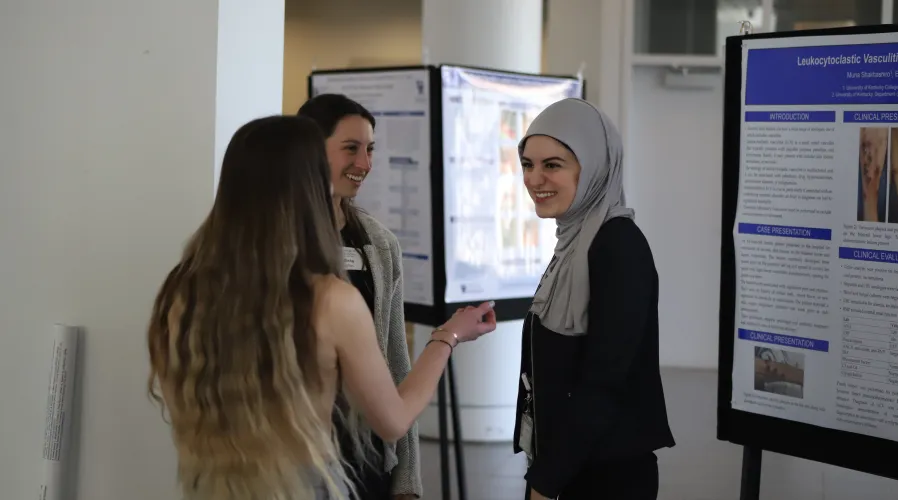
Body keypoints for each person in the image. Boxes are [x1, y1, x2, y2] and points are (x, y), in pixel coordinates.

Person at [146, 115, 497, 500]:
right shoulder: (331, 300)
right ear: (310, 188)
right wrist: (448, 336)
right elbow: (393, 420)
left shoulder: (182, 290)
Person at [513, 98, 675, 499]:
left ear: (595, 167)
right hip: (572, 463)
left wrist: (546, 483)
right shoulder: (574, 242)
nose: (535, 179)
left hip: (607, 476)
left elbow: (603, 381)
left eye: (553, 165)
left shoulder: (618, 247)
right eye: (528, 165)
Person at [297, 94, 421, 500]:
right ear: (310, 151)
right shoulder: (275, 245)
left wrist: (407, 480)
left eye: (370, 150)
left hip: (368, 458)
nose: (365, 164)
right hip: (297, 461)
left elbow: (395, 357)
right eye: (351, 148)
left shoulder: (378, 243)